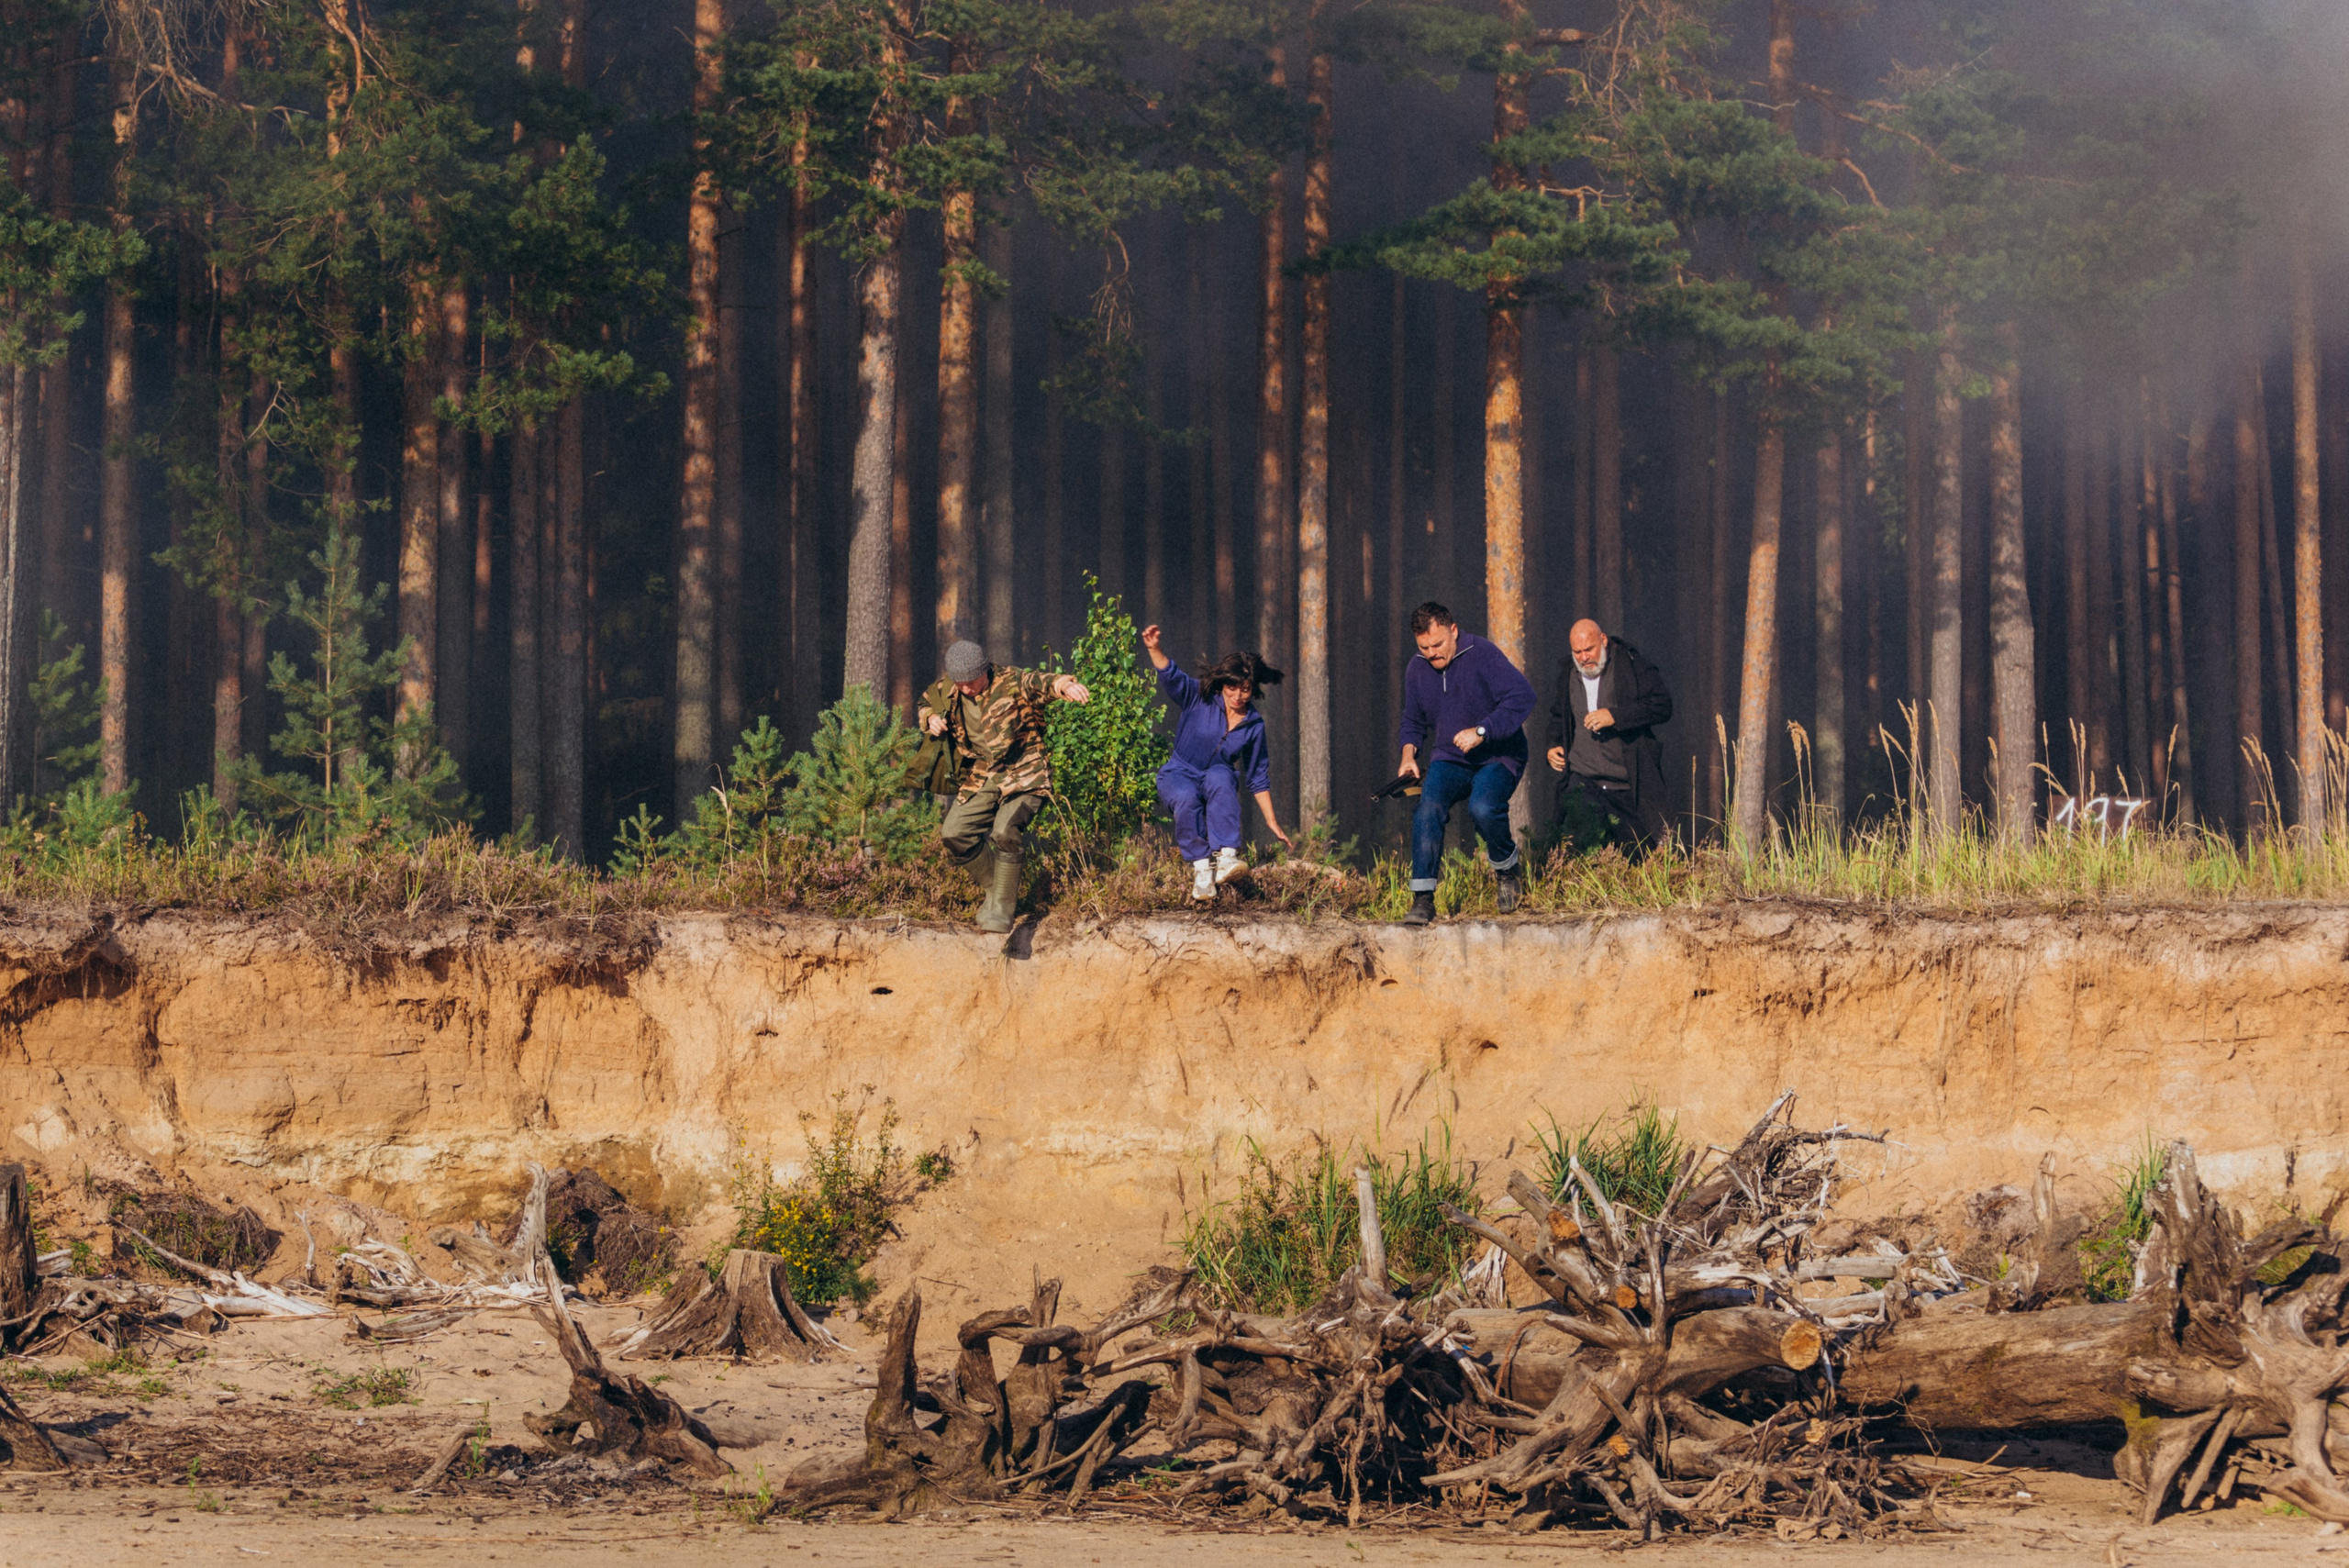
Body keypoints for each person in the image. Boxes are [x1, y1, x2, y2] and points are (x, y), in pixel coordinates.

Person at [919, 639, 1091, 933]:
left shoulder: (1011, 681)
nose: (965, 689)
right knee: (953, 833)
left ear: (984, 670)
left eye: (971, 682)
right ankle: (998, 890)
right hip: (985, 774)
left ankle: (1001, 910)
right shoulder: (951, 688)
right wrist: (931, 719)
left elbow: (1040, 682)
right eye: (959, 683)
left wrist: (1064, 685)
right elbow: (927, 702)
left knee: (1004, 831)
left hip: (1025, 773)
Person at [1396, 601, 1537, 925]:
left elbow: (1523, 696)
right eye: (1424, 647)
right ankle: (1423, 898)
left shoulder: (1482, 653)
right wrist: (1408, 756)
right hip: (1450, 757)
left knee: (1483, 807)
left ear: (1454, 631)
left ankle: (1507, 872)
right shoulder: (1417, 668)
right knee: (1428, 806)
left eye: (1438, 644)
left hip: (1499, 754)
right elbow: (1413, 720)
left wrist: (1482, 731)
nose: (1432, 653)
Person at [1141, 625, 1292, 901]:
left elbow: (1257, 776)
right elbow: (1172, 677)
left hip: (1214, 775)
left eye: (1245, 690)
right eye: (1232, 687)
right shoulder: (1199, 696)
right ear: (1223, 683)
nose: (1237, 696)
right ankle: (1202, 872)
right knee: (1186, 797)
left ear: (1253, 688)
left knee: (1223, 775)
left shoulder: (1254, 724)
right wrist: (1154, 649)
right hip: (1178, 773)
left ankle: (1226, 859)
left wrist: (1271, 820)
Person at [1545, 618, 1674, 858]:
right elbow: (1558, 715)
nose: (1584, 658)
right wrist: (1553, 745)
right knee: (1577, 852)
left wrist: (1615, 716)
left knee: (1641, 858)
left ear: (1603, 640)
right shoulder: (1568, 674)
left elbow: (1662, 705)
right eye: (1578, 652)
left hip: (1625, 783)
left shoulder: (1631, 664)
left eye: (1589, 649)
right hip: (1584, 779)